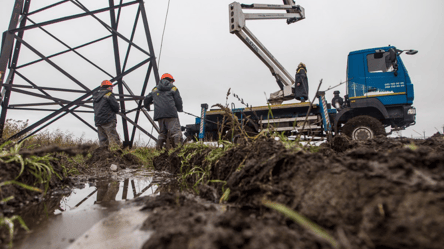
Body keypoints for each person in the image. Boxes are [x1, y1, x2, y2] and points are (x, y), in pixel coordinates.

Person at [144, 73, 183, 150]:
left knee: (162, 133)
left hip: (159, 115)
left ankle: (158, 149)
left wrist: (147, 107)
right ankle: (178, 151)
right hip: (171, 114)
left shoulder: (155, 89)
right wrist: (180, 109)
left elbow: (146, 99)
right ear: (170, 80)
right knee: (176, 132)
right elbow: (178, 100)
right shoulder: (173, 88)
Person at [93, 80, 121, 148]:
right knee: (114, 139)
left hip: (98, 120)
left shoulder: (95, 96)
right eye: (111, 87)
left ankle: (103, 155)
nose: (112, 89)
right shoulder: (109, 94)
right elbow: (116, 107)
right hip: (108, 119)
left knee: (103, 140)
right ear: (108, 87)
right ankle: (118, 153)